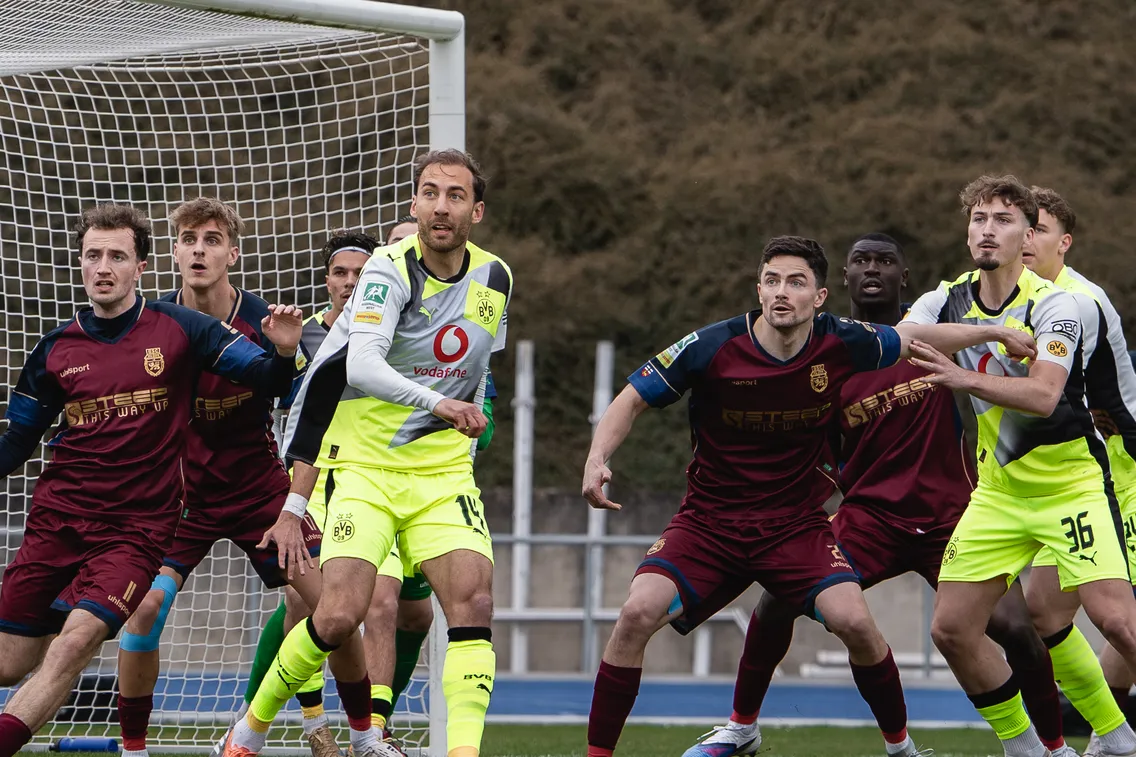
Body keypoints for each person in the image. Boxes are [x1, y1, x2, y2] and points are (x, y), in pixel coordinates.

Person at [580, 234, 1036, 757]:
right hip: (709, 524)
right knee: (635, 615)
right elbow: (631, 399)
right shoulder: (710, 346)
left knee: (856, 623)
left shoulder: (842, 341)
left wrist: (995, 331)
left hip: (795, 527)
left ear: (819, 297)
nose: (782, 292)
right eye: (771, 281)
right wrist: (597, 458)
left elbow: (914, 337)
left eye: (796, 282)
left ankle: (902, 749)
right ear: (758, 289)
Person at [223, 148, 511, 757]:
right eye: (430, 193)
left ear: (477, 211)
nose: (441, 206)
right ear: (414, 204)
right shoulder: (386, 269)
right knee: (338, 615)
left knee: (474, 602)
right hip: (365, 471)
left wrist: (473, 410)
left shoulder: (495, 279)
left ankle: (450, 749)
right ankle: (250, 728)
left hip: (442, 475)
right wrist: (440, 404)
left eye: (455, 195)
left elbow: (478, 366)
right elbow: (361, 365)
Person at [0, 203, 303, 757]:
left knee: (76, 642)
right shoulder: (55, 348)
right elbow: (16, 443)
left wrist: (284, 350)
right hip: (56, 522)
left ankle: (347, 728)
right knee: (10, 663)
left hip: (135, 531)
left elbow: (269, 381)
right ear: (80, 263)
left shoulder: (183, 329)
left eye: (117, 256)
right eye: (93, 256)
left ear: (141, 266)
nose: (104, 267)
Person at [111, 198, 373, 757]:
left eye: (211, 240)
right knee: (144, 609)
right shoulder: (151, 325)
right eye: (188, 239)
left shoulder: (268, 323)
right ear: (174, 252)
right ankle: (133, 749)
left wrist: (287, 355)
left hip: (259, 492)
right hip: (181, 500)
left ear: (232, 253)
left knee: (336, 611)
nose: (199, 250)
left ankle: (365, 737)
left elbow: (304, 413)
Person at [907, 174, 1136, 757]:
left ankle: (1114, 735)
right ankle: (1032, 749)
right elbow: (901, 337)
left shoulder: (1060, 303)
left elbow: (1043, 395)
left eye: (1004, 220)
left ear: (1027, 235)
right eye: (979, 219)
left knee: (1118, 623)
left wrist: (961, 376)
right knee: (952, 628)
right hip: (999, 494)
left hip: (1074, 487)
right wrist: (987, 331)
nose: (988, 230)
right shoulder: (949, 297)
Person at [1017, 187, 1136, 757]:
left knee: (1118, 620)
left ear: (1064, 243)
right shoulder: (1012, 297)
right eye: (1022, 227)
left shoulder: (1078, 302)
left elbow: (1047, 397)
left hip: (1121, 473)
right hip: (1069, 478)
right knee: (1043, 609)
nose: (1025, 239)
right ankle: (1114, 736)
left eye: (1038, 229)